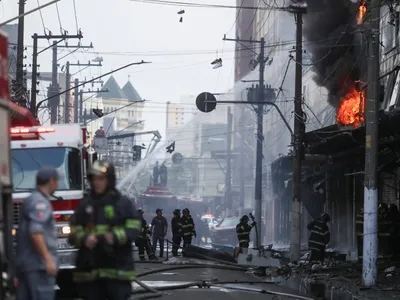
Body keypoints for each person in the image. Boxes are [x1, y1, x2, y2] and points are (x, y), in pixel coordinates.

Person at [68, 160, 141, 300]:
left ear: (110, 179)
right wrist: (85, 238)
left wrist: (114, 237)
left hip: (117, 271)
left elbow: (134, 228)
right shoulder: (85, 205)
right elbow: (73, 230)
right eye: (94, 179)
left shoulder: (123, 204)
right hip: (90, 274)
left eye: (101, 179)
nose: (97, 183)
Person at [15, 168, 59, 300]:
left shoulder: (32, 199)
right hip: (38, 266)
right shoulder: (40, 202)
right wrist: (48, 259)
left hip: (28, 264)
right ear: (51, 181)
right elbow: (35, 232)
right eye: (57, 181)